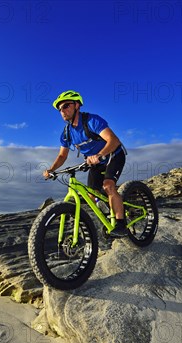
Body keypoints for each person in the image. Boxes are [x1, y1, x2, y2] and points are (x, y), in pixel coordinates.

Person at [43, 90, 128, 238]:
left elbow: (113, 140)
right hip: (94, 162)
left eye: (66, 106)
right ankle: (108, 217)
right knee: (90, 195)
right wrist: (51, 169)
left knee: (108, 185)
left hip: (113, 155)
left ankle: (121, 224)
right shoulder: (67, 133)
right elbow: (62, 155)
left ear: (77, 105)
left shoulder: (91, 121)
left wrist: (100, 155)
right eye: (60, 109)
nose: (62, 111)